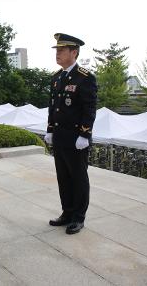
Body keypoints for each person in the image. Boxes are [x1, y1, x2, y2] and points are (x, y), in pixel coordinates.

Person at [44, 33, 97, 235]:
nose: (57, 54)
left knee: (78, 177)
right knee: (63, 177)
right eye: (56, 50)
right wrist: (50, 130)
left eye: (61, 50)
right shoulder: (57, 78)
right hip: (60, 137)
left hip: (76, 139)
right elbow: (53, 107)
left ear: (73, 52)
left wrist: (84, 134)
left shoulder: (85, 77)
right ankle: (67, 212)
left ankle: (78, 217)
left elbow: (89, 108)